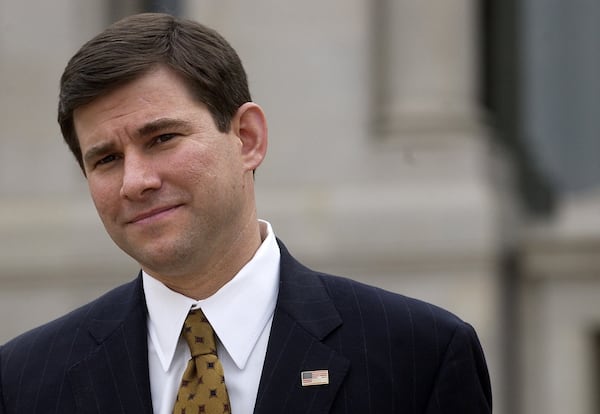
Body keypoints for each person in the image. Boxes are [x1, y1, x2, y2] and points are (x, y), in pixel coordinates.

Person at [0, 13, 492, 414]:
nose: (136, 182)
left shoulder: (417, 356)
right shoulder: (24, 379)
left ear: (247, 138)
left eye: (162, 139)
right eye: (106, 159)